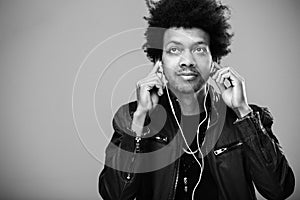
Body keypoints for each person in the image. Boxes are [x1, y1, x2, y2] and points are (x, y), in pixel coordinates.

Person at [98, 0, 295, 199]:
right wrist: (140, 120)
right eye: (174, 50)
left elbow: (278, 190)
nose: (188, 61)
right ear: (159, 61)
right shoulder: (132, 117)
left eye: (199, 49)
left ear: (215, 60)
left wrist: (242, 111)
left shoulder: (248, 118)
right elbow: (114, 195)